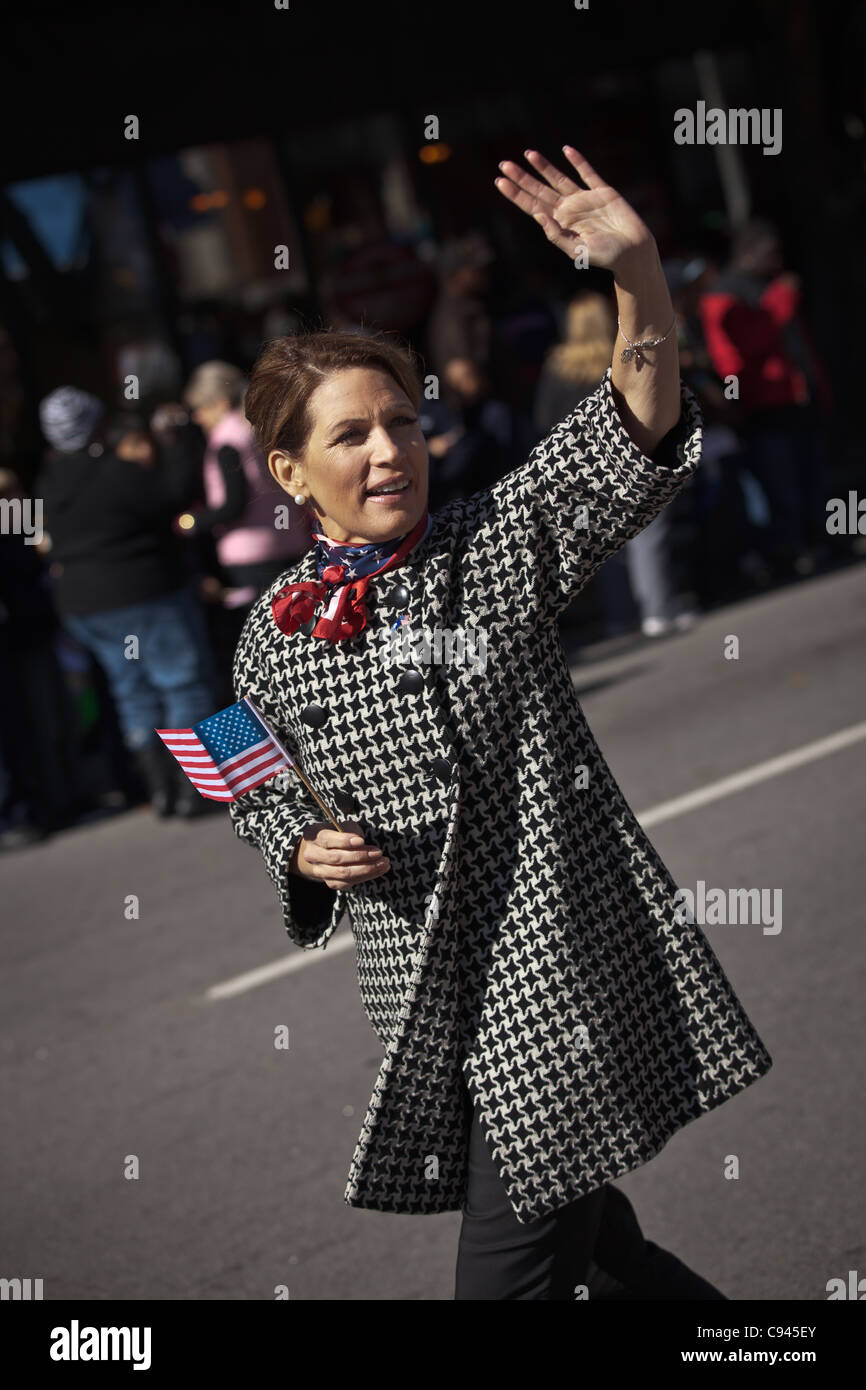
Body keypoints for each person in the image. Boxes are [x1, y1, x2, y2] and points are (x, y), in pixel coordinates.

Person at [227, 145, 772, 1301]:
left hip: (549, 980)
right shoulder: (268, 630)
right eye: (349, 437)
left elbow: (627, 432)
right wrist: (294, 844)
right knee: (601, 1255)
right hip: (421, 999)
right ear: (289, 470)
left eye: (400, 424)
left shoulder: (489, 546)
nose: (388, 451)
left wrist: (637, 278)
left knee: (512, 1278)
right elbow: (247, 772)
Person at [37, 386, 217, 818]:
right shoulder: (115, 471)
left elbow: (34, 535)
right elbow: (173, 493)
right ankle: (194, 789)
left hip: (87, 607)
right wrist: (176, 442)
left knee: (131, 691)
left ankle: (161, 791)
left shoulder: (47, 483)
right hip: (143, 594)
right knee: (179, 681)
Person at [699, 218, 833, 579]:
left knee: (812, 475)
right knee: (781, 484)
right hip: (764, 405)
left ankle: (820, 542)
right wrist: (736, 403)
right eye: (770, 254)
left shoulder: (771, 285)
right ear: (748, 252)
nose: (777, 261)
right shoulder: (725, 295)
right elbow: (733, 355)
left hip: (798, 396)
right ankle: (791, 552)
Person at [181, 361, 313, 703]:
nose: (196, 418)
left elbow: (232, 504)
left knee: (265, 646)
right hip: (288, 544)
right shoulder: (257, 429)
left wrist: (192, 522)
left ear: (218, 403)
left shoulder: (226, 441)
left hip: (251, 554)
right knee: (298, 636)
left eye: (199, 408)